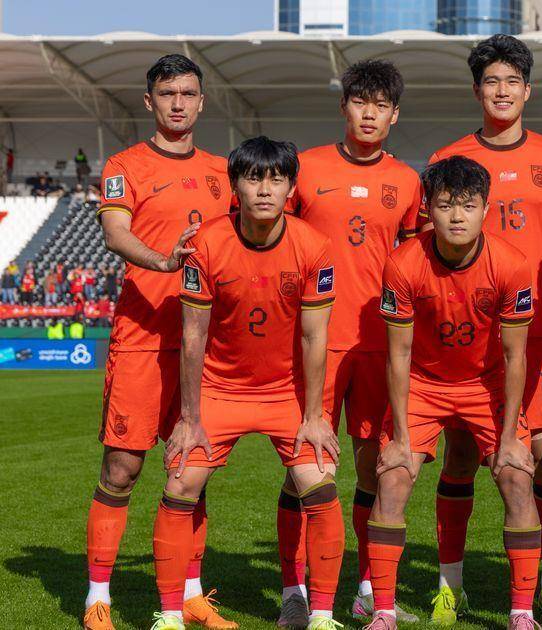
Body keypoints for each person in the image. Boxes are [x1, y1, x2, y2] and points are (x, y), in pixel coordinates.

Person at [406, 34, 542, 626]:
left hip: (534, 334)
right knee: (458, 459)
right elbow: (421, 240)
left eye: (512, 82)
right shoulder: (449, 156)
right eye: (491, 82)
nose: (501, 92)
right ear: (476, 90)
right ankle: (449, 586)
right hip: (461, 337)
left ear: (528, 90)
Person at [151, 136, 342, 630]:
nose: (264, 189)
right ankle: (170, 614)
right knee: (181, 482)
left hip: (286, 392)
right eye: (253, 178)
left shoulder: (314, 246)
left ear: (292, 188)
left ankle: (319, 614)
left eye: (276, 179)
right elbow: (193, 335)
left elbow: (315, 336)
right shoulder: (206, 243)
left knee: (319, 484)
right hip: (219, 390)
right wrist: (189, 418)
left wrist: (315, 417)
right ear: (235, 186)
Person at [84, 54, 233, 630]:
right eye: (167, 93)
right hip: (143, 336)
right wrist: (165, 261)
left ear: (202, 102)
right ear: (150, 101)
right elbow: (115, 232)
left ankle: (191, 594)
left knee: (192, 469)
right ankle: (97, 598)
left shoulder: (224, 171)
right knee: (122, 468)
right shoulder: (125, 165)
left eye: (187, 93)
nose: (178, 103)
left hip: (206, 343)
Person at [273, 57, 423, 628]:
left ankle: (365, 590)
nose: (369, 114)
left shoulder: (407, 181)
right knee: (304, 467)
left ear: (394, 114)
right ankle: (294, 591)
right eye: (360, 102)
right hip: (311, 342)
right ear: (344, 106)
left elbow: (415, 258)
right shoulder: (306, 168)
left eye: (380, 106)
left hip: (378, 343)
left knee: (371, 468)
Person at [365, 156, 540, 630]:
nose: (457, 216)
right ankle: (383, 613)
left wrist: (509, 438)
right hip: (423, 383)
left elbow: (515, 357)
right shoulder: (403, 263)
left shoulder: (512, 264)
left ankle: (522, 613)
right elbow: (398, 355)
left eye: (468, 205)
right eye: (445, 205)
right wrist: (401, 439)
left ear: (486, 208)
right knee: (394, 476)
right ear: (428, 209)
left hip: (486, 384)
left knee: (517, 477)